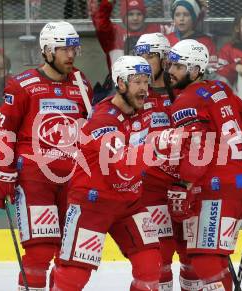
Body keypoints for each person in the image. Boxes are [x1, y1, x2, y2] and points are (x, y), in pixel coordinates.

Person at [0, 21, 93, 290]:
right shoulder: (22, 85)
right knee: (39, 253)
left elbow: (89, 131)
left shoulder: (82, 83)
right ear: (46, 51)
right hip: (35, 180)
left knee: (69, 255)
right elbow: (5, 131)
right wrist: (2, 172)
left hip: (72, 181)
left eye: (74, 49)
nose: (71, 55)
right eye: (63, 49)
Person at [163, 39, 242, 291]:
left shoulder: (187, 101)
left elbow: (198, 145)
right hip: (235, 183)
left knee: (205, 259)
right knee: (210, 255)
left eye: (178, 66)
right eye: (171, 64)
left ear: (195, 70)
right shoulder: (220, 89)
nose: (170, 71)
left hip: (216, 186)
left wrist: (184, 183)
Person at [51, 56, 162, 291]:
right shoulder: (103, 120)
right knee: (73, 276)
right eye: (137, 82)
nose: (144, 88)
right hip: (94, 203)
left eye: (146, 81)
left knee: (151, 267)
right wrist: (159, 146)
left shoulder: (144, 112)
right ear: (121, 84)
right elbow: (121, 167)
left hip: (129, 203)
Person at [134, 32, 202, 291]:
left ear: (165, 60)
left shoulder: (186, 92)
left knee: (191, 257)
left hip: (185, 185)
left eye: (149, 56)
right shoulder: (134, 92)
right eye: (139, 55)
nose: (142, 61)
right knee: (158, 257)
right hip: (151, 186)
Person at [89, 0, 162, 71]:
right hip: (119, 82)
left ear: (144, 16)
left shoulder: (153, 32)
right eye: (130, 14)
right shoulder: (114, 34)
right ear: (123, 17)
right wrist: (107, 2)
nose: (135, 18)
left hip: (146, 82)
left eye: (139, 14)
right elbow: (100, 24)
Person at [166, 0, 217, 71]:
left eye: (186, 15)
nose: (181, 19)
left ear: (194, 17)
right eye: (177, 15)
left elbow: (212, 69)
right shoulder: (166, 40)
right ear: (173, 18)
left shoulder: (206, 42)